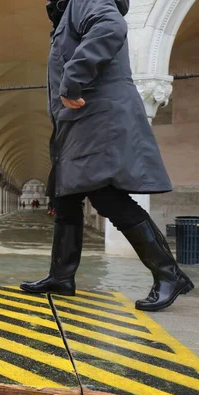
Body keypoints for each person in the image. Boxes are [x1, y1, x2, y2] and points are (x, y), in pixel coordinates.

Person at [20, 0, 193, 311]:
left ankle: (169, 273)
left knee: (106, 195)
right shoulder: (66, 12)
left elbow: (111, 27)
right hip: (75, 123)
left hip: (96, 117)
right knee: (65, 197)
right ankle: (61, 276)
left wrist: (73, 80)